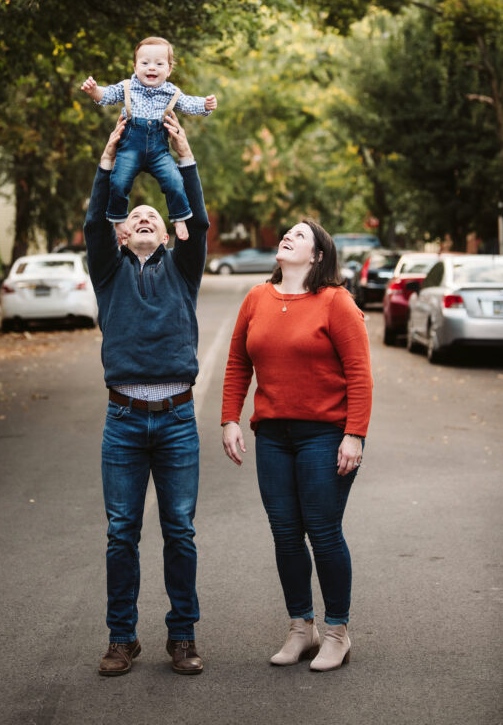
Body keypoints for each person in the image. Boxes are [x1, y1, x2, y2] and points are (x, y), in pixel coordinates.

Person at [84, 108, 209, 677]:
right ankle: (121, 638)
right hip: (124, 422)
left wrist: (181, 157)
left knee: (179, 531)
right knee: (120, 533)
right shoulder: (107, 272)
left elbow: (198, 222)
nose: (140, 217)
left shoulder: (183, 270)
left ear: (167, 232)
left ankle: (181, 637)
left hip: (178, 420)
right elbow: (93, 223)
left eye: (151, 216)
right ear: (120, 231)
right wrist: (111, 159)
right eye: (132, 214)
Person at [221, 220, 372, 672]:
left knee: (323, 533)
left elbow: (360, 373)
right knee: (285, 533)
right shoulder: (256, 298)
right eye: (287, 232)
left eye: (300, 235)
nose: (288, 236)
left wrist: (355, 433)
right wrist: (230, 418)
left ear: (318, 255)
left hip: (325, 435)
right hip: (273, 436)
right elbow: (236, 363)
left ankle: (337, 632)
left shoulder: (336, 302)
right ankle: (300, 627)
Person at [81, 36, 217, 242]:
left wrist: (205, 105)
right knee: (118, 182)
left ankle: (179, 217)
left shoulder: (171, 92)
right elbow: (105, 94)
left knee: (174, 181)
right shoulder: (126, 87)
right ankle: (118, 220)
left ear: (169, 69)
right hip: (129, 149)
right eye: (145, 63)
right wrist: (94, 91)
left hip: (159, 151)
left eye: (159, 64)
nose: (151, 68)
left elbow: (189, 103)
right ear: (135, 67)